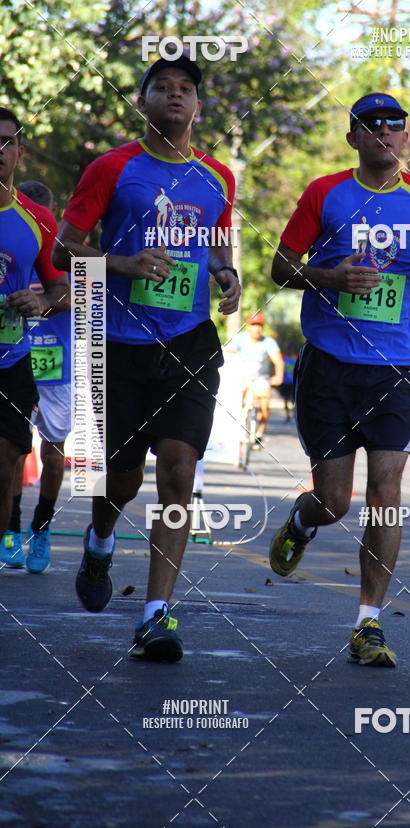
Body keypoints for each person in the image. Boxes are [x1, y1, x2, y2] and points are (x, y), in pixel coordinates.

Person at [53, 54, 241, 662]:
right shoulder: (112, 168)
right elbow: (63, 250)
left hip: (189, 340)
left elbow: (217, 243)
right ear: (145, 102)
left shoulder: (217, 177)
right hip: (121, 344)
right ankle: (101, 537)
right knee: (124, 475)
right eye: (163, 88)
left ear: (199, 106)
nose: (176, 97)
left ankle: (157, 614)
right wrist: (121, 263)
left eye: (186, 89)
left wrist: (227, 274)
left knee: (180, 471)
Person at [270, 92, 410, 667]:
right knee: (335, 500)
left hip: (394, 365)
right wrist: (330, 277)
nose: (384, 134)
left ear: (405, 136)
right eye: (370, 126)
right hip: (329, 362)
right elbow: (281, 265)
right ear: (353, 138)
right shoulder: (325, 192)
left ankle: (368, 624)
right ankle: (303, 518)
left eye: (394, 126)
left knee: (387, 494)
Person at [0, 109, 70, 568]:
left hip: (34, 355)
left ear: (20, 153)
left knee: (36, 449)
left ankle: (33, 527)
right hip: (28, 353)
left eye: (7, 143)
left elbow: (73, 285)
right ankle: (13, 529)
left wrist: (44, 303)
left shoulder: (42, 223)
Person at [227, 312, 284, 445]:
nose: (256, 328)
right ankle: (237, 429)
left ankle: (259, 433)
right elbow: (228, 353)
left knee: (264, 408)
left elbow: (278, 361)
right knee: (236, 400)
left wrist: (278, 376)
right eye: (253, 325)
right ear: (248, 326)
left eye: (259, 325)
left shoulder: (269, 342)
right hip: (241, 377)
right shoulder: (239, 339)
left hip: (261, 379)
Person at [278, 345, 297, 422]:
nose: (290, 351)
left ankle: (293, 413)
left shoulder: (295, 360)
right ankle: (288, 415)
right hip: (285, 382)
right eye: (289, 350)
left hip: (292, 383)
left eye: (291, 350)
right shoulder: (283, 360)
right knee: (285, 399)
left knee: (293, 400)